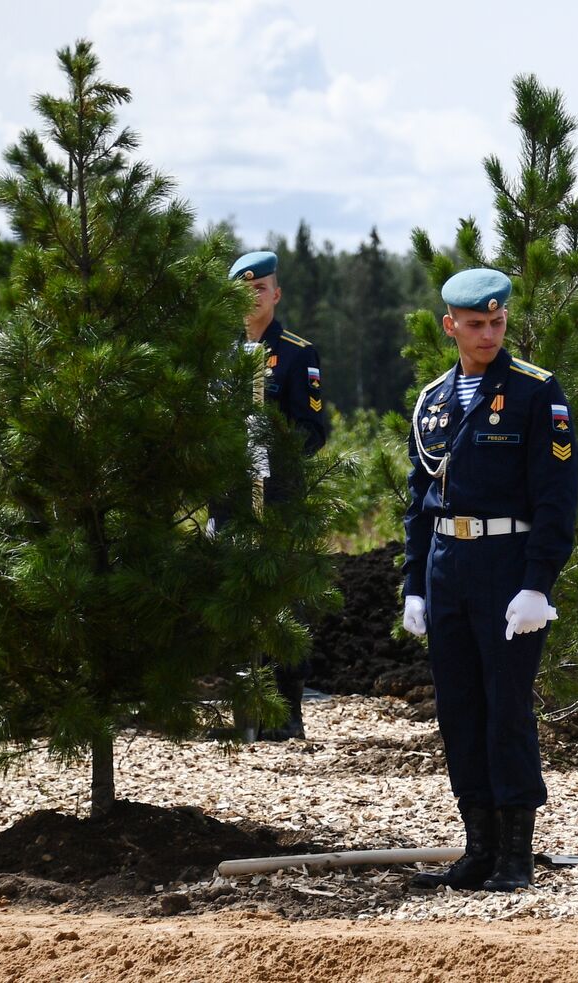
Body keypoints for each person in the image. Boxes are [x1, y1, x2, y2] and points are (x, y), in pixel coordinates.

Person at [400, 268, 578, 893]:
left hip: (508, 567)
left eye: (497, 323)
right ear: (451, 326)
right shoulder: (433, 400)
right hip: (448, 565)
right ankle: (477, 847)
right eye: (475, 324)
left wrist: (539, 583)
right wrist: (414, 587)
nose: (487, 334)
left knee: (506, 709)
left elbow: (557, 499)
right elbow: (420, 500)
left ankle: (514, 853)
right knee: (459, 709)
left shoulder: (536, 393)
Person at [228, 249, 328, 741]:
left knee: (284, 602)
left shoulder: (295, 353)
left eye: (261, 288)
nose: (253, 296)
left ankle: (286, 711)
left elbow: (313, 430)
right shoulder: (216, 352)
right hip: (228, 499)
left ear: (276, 293)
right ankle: (242, 711)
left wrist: (272, 444)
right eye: (243, 289)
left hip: (278, 497)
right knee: (233, 598)